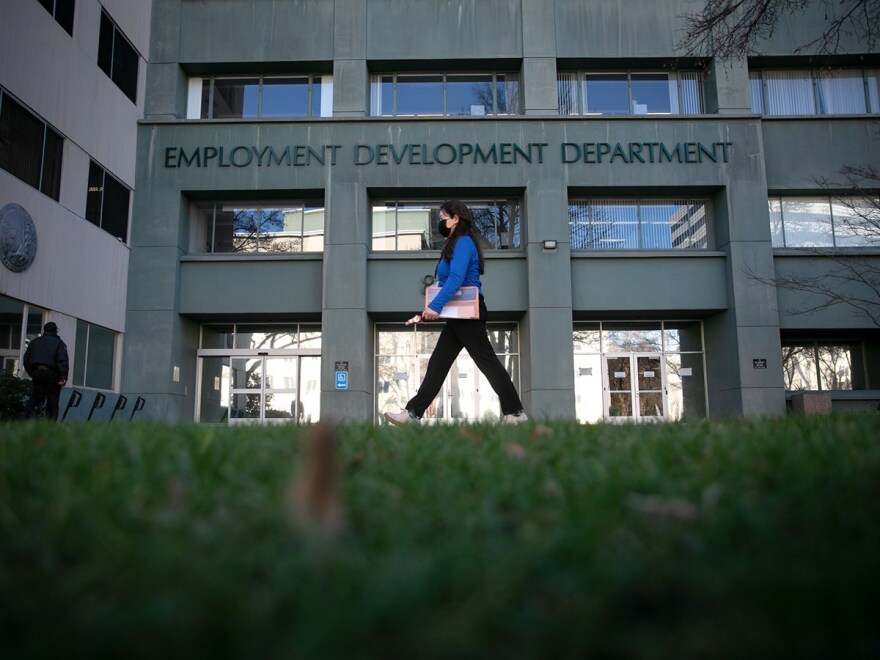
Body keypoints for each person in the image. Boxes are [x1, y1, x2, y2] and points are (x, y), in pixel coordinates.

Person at [384, 200, 528, 426]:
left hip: (469, 313)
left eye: (443, 218)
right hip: (459, 315)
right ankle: (413, 413)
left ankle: (516, 412)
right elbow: (446, 281)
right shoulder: (454, 243)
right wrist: (434, 305)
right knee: (438, 363)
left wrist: (435, 306)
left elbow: (456, 279)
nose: (440, 223)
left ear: (456, 218)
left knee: (486, 362)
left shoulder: (463, 242)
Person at [23, 322, 69, 421]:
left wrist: (32, 372)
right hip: (52, 374)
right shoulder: (59, 343)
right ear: (55, 331)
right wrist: (63, 377)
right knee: (52, 401)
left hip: (37, 373)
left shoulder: (34, 342)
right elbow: (62, 361)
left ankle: (27, 419)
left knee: (36, 398)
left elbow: (26, 359)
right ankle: (50, 425)